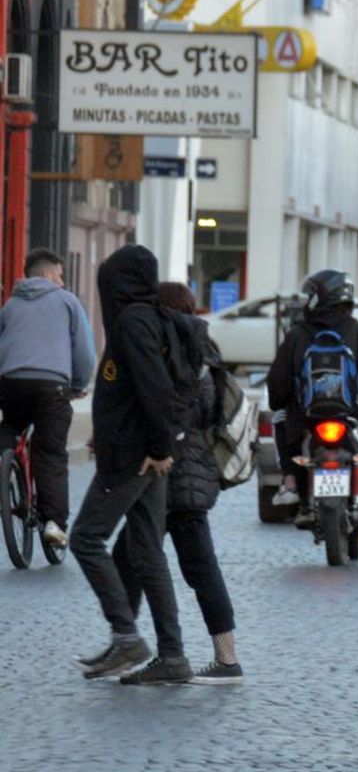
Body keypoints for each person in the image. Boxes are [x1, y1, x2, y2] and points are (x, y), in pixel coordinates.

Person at [71, 245, 192, 685]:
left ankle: (126, 636)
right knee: (146, 554)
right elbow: (128, 390)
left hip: (134, 456)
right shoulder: (151, 317)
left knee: (85, 539)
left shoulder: (131, 322)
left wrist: (159, 448)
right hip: (144, 451)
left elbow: (153, 388)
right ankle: (173, 655)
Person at [111, 282, 243, 685]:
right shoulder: (206, 348)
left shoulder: (172, 350)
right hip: (193, 471)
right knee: (135, 557)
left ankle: (221, 659)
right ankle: (129, 644)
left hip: (171, 473)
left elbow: (169, 409)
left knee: (171, 563)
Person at [265, 270, 358, 524]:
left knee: (277, 417)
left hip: (305, 415)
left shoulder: (298, 334)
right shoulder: (356, 330)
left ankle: (289, 484)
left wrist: (285, 403)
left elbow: (278, 383)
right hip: (353, 412)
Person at [0, 248, 95, 548]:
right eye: (59, 276)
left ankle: (3, 469)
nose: (63, 283)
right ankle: (54, 523)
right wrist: (78, 384)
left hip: (11, 383)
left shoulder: (10, 305)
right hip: (52, 386)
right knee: (51, 452)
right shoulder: (68, 302)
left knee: (10, 426)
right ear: (45, 275)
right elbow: (84, 350)